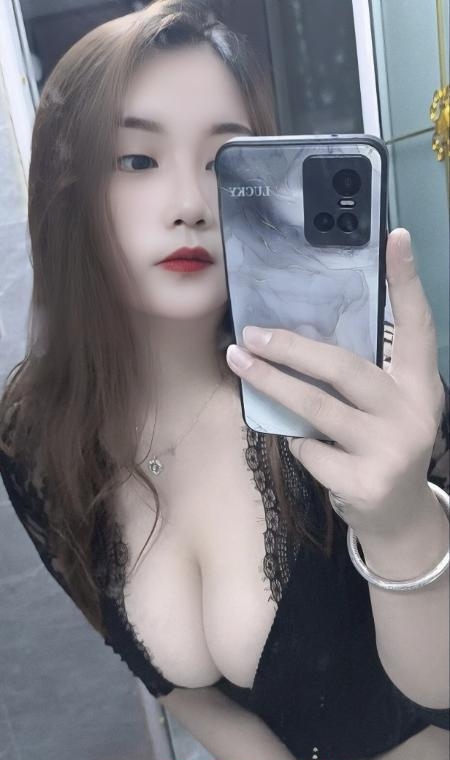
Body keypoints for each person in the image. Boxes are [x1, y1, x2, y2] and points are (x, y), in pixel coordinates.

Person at [0, 2, 449, 758]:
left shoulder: (349, 390)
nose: (190, 205)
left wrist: (400, 520)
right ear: (62, 189)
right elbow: (173, 685)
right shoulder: (35, 439)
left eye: (224, 163)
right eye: (136, 161)